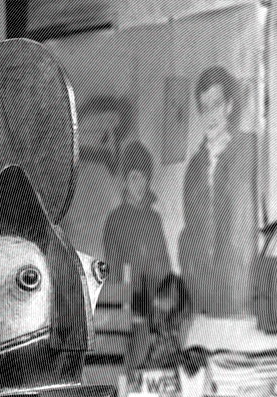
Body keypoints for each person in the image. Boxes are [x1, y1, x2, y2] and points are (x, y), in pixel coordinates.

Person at [178, 65, 259, 317]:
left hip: (244, 296)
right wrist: (192, 281)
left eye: (216, 104)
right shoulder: (194, 167)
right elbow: (190, 232)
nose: (211, 114)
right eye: (204, 107)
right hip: (205, 298)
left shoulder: (249, 150)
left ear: (229, 106)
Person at [102, 140, 172, 319]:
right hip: (129, 306)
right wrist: (120, 310)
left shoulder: (154, 219)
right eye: (134, 177)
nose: (140, 184)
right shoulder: (115, 221)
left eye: (144, 177)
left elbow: (164, 264)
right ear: (125, 181)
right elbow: (113, 272)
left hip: (156, 306)